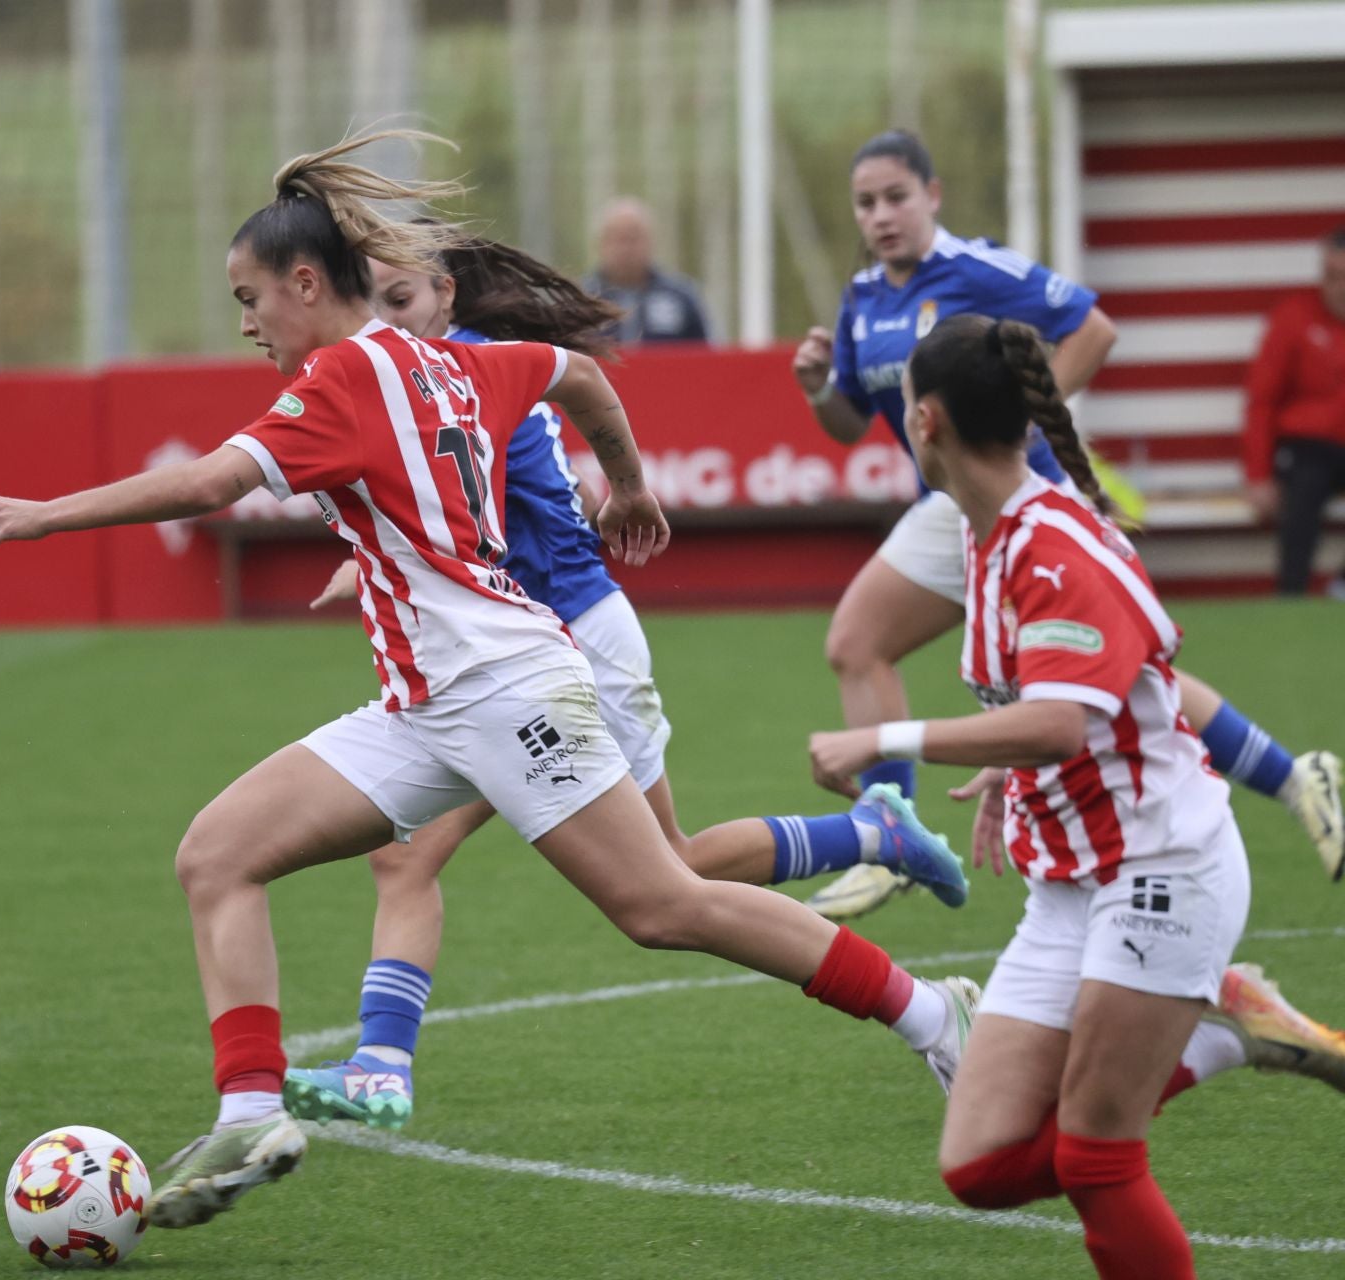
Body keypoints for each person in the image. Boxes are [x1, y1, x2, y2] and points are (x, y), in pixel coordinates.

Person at [0, 130, 986, 1235]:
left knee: (663, 903)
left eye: (250, 297)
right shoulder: (445, 357)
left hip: (507, 687)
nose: (245, 323)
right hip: (430, 705)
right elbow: (575, 375)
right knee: (217, 852)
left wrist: (45, 513)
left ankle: (932, 1012)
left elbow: (206, 481)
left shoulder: (340, 376)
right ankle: (250, 1110)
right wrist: (623, 481)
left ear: (306, 283)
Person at [286, 233, 982, 1132]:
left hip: (566, 644)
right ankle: (381, 1064)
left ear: (447, 298)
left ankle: (882, 872)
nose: (387, 321)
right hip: (503, 664)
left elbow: (457, 503)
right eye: (374, 303)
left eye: (403, 300)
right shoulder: (432, 376)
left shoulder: (456, 376)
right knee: (422, 853)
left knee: (667, 882)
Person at [806, 313, 1345, 1279]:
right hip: (1069, 886)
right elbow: (1067, 712)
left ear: (924, 419)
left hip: (1162, 867)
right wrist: (1008, 776)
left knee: (1099, 1155)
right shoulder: (989, 537)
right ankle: (1229, 1033)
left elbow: (1059, 721)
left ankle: (1218, 1025)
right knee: (977, 1164)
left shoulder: (1054, 546)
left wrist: (882, 738)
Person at [793, 130, 1342, 917]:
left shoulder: (979, 271)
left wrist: (1013, 414)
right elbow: (847, 426)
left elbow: (1094, 328)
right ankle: (892, 829)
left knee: (1124, 679)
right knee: (856, 644)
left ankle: (1292, 776)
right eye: (865, 203)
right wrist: (818, 389)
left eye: (896, 197)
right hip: (949, 507)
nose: (881, 215)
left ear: (933, 195)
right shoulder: (863, 299)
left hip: (1023, 495)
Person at [1243, 224, 1345, 601]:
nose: (1338, 287)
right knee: (1303, 489)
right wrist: (1257, 475)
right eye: (1331, 276)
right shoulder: (1294, 316)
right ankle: (1292, 597)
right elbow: (1261, 400)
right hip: (1308, 445)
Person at [582, 196, 711, 344]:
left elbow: (707, 354)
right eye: (617, 238)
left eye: (633, 238)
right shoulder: (581, 300)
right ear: (601, 243)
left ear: (651, 241)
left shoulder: (680, 297)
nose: (625, 248)